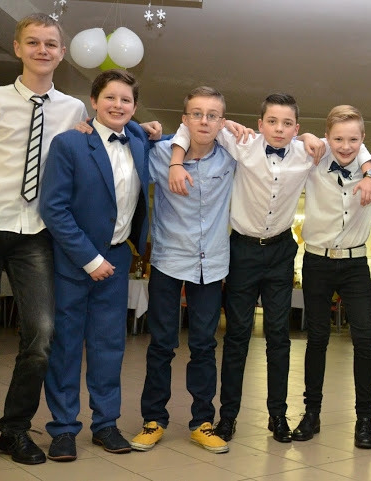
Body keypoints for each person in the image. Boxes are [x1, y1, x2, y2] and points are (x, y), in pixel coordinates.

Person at [167, 93, 324, 443]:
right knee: (237, 336)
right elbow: (191, 126)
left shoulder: (307, 152)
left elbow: (352, 146)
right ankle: (228, 416)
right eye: (273, 121)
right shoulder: (242, 143)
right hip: (242, 251)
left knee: (279, 337)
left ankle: (278, 416)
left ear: (296, 128)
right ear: (260, 124)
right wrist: (176, 161)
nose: (279, 129)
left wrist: (312, 138)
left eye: (287, 124)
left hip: (281, 251)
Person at [39, 69, 152, 462]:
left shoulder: (138, 139)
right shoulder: (70, 142)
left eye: (126, 100)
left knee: (109, 346)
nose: (118, 105)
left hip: (118, 258)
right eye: (110, 97)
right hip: (74, 260)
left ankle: (105, 424)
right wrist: (90, 259)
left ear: (135, 107)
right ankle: (63, 428)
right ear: (93, 101)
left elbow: (175, 137)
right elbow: (54, 208)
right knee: (66, 346)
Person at [0, 13, 87, 465]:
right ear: (17, 48)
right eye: (33, 42)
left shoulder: (73, 109)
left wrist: (147, 129)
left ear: (62, 53)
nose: (42, 50)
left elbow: (103, 139)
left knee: (42, 334)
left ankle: (14, 430)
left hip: (36, 233)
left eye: (50, 43)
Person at [129, 86, 234, 454]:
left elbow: (278, 141)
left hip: (212, 264)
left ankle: (202, 422)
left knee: (204, 345)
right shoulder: (160, 154)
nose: (204, 121)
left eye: (212, 115)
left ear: (222, 121)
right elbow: (120, 136)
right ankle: (153, 419)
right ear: (185, 119)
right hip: (168, 260)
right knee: (161, 344)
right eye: (197, 114)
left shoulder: (232, 157)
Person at [291, 105, 371, 448]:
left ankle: (364, 420)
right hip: (316, 261)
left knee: (365, 340)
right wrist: (306, 135)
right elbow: (291, 140)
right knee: (317, 338)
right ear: (327, 137)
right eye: (338, 139)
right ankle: (311, 413)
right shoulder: (313, 160)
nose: (346, 146)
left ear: (363, 139)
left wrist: (370, 172)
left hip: (356, 265)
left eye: (354, 140)